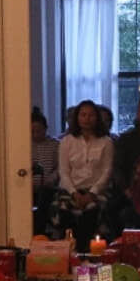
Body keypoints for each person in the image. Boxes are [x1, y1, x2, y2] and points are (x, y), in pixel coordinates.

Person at [53, 99, 114, 248]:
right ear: (77, 118)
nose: (87, 119)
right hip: (70, 191)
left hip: (95, 191)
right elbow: (64, 172)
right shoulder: (66, 141)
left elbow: (107, 171)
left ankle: (87, 251)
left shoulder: (106, 142)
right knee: (63, 210)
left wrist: (91, 194)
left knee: (92, 211)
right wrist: (75, 193)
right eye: (83, 115)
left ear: (97, 118)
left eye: (91, 115)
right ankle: (67, 250)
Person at [108, 96, 140, 235]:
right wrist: (127, 190)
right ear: (137, 113)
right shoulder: (127, 138)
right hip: (131, 189)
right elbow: (118, 168)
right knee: (115, 209)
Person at [30, 107, 60, 233]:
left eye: (39, 130)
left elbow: (59, 168)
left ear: (45, 128)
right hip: (28, 187)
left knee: (45, 200)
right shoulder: (24, 144)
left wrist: (49, 180)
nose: (35, 134)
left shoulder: (55, 144)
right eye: (32, 131)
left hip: (48, 186)